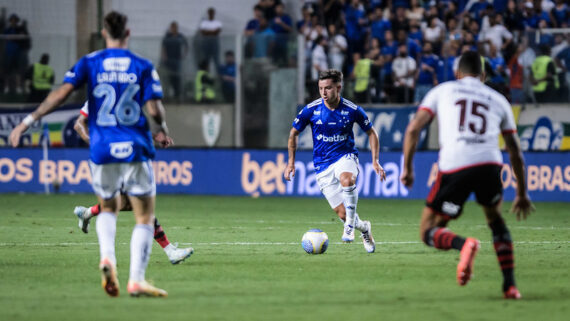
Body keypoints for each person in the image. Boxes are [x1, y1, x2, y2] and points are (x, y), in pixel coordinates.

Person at [9, 11, 172, 297]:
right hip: (135, 147)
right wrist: (162, 129)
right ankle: (136, 279)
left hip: (102, 148)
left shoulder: (91, 62)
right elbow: (155, 109)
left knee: (108, 208)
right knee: (144, 216)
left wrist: (27, 121)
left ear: (103, 33)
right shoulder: (142, 65)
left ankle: (107, 258)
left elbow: (60, 95)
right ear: (128, 33)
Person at [400, 51, 534, 299]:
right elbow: (514, 150)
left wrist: (407, 168)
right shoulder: (498, 99)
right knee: (496, 221)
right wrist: (522, 193)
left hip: (455, 165)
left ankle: (465, 245)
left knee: (428, 230)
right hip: (489, 164)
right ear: (483, 75)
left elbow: (413, 129)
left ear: (456, 73)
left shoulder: (443, 90)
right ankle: (510, 286)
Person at [72, 103, 193, 265]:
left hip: (125, 156)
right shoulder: (97, 93)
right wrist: (96, 144)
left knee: (125, 203)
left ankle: (87, 213)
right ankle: (169, 251)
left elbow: (130, 129)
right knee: (137, 202)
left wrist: (154, 136)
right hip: (105, 159)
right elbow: (78, 125)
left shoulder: (125, 92)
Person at [284, 69, 386, 253]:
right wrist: (291, 162)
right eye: (321, 88)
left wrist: (375, 161)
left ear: (338, 88)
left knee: (347, 179)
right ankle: (364, 228)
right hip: (322, 165)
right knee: (342, 213)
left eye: (328, 88)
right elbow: (293, 133)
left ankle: (348, 228)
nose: (323, 92)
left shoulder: (352, 110)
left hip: (345, 157)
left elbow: (372, 132)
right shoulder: (311, 109)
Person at [161, 21, 188, 101]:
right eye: (172, 27)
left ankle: (177, 94)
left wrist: (184, 55)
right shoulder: (167, 36)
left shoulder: (180, 36)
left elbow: (186, 45)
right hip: (169, 60)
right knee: (168, 77)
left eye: (175, 27)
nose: (173, 29)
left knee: (177, 77)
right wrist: (164, 56)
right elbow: (163, 47)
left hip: (177, 60)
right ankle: (167, 95)